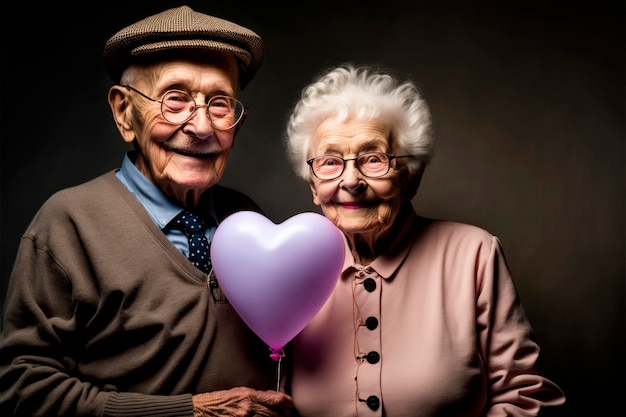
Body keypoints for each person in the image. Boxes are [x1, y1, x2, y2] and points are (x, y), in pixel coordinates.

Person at [0, 5, 293, 417]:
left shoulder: (248, 218)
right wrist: (190, 412)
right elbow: (24, 389)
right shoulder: (68, 223)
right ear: (124, 113)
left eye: (220, 103)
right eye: (175, 100)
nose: (202, 127)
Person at [282, 63, 566, 416]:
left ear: (411, 178)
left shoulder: (472, 254)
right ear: (313, 186)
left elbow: (526, 398)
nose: (351, 181)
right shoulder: (292, 268)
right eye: (330, 162)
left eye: (374, 159)